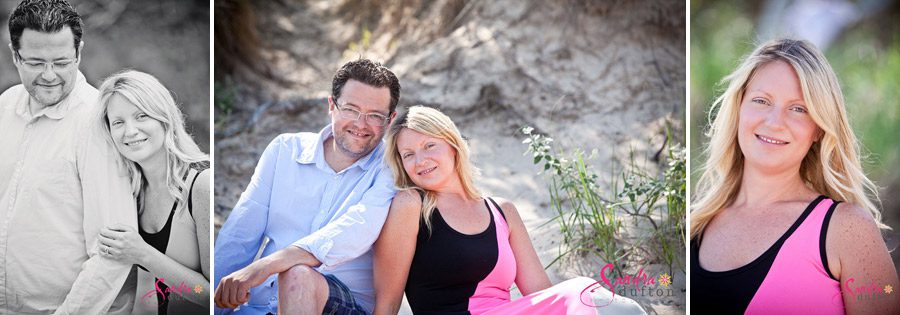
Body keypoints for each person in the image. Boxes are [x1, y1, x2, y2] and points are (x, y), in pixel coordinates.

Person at [690, 38, 899, 314]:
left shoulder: (846, 230)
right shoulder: (696, 222)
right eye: (762, 100)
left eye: (798, 108)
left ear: (818, 130)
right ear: (739, 108)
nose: (774, 122)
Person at [374, 105, 602, 315]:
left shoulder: (502, 211)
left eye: (429, 146)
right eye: (408, 155)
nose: (420, 160)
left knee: (583, 294)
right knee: (581, 291)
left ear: (453, 146)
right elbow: (388, 302)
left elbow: (542, 295)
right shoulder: (411, 205)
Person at [214, 58, 400, 314]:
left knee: (297, 275)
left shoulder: (391, 168)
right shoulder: (284, 151)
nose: (360, 123)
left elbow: (357, 229)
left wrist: (268, 265)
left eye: (375, 116)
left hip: (341, 306)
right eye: (351, 109)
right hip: (261, 307)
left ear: (390, 120)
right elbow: (239, 236)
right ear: (331, 106)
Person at [0, 0, 137, 313]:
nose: (49, 76)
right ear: (14, 54)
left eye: (61, 62)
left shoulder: (99, 123)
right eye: (36, 63)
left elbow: (112, 252)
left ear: (79, 52)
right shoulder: (5, 105)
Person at [92, 70, 210, 314]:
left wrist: (142, 253)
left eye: (141, 116)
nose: (130, 131)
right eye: (118, 122)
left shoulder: (201, 185)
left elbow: (209, 296)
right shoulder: (127, 191)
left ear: (164, 118)